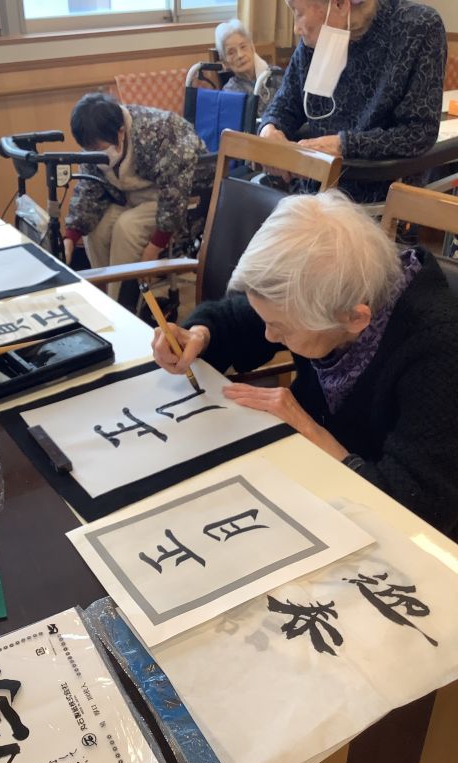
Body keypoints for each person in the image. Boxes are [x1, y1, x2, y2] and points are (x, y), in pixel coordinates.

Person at [151, 190, 458, 539]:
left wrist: (311, 431)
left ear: (355, 319)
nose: (268, 335)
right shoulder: (325, 292)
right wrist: (200, 336)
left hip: (381, 526)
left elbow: (420, 509)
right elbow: (239, 321)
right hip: (310, 479)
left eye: (281, 329)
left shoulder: (438, 349)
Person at [259, 0, 447, 202]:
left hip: (381, 200)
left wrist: (343, 145)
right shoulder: (315, 42)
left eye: (298, 13)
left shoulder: (419, 26)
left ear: (339, 5)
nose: (296, 29)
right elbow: (284, 106)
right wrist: (269, 130)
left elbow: (419, 132)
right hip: (313, 194)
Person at [63, 92, 212, 310]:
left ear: (121, 132)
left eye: (99, 149)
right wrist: (70, 236)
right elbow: (88, 188)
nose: (94, 154)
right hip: (133, 198)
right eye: (89, 149)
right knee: (98, 229)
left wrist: (155, 247)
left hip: (180, 200)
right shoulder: (97, 139)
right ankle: (102, 297)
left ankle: (121, 307)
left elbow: (175, 192)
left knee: (128, 227)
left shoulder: (162, 130)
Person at [214, 18, 269, 95]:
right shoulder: (230, 92)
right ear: (225, 62)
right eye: (231, 52)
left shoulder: (276, 75)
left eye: (243, 47)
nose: (240, 55)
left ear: (252, 47)